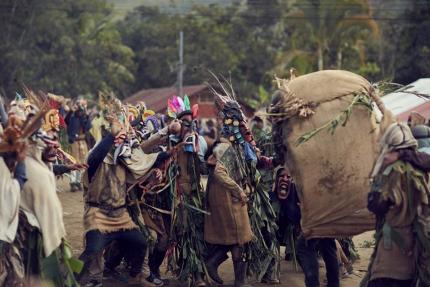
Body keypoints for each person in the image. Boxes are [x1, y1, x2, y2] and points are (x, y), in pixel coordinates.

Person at [78, 116, 156, 287]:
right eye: (117, 137)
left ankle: (137, 275)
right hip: (97, 214)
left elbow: (143, 156)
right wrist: (111, 135)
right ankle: (78, 278)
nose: (120, 139)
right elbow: (95, 158)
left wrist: (163, 152)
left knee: (141, 243)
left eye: (122, 137)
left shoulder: (123, 159)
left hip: (120, 215)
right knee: (92, 251)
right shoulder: (95, 156)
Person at [363, 122, 430, 287]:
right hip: (412, 255)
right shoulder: (420, 170)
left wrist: (381, 169)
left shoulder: (393, 171)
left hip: (391, 259)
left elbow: (376, 205)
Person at [204, 140, 253, 287]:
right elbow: (220, 172)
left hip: (225, 200)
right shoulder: (227, 146)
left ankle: (214, 265)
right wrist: (238, 190)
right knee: (239, 239)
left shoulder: (232, 146)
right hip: (228, 202)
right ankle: (239, 282)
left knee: (235, 239)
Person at [65, 97, 92, 191]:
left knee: (82, 162)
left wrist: (87, 116)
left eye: (82, 108)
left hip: (82, 142)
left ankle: (79, 182)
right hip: (74, 143)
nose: (80, 110)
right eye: (79, 107)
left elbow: (88, 127)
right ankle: (73, 183)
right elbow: (66, 121)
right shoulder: (72, 118)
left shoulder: (84, 118)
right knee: (73, 161)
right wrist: (70, 112)